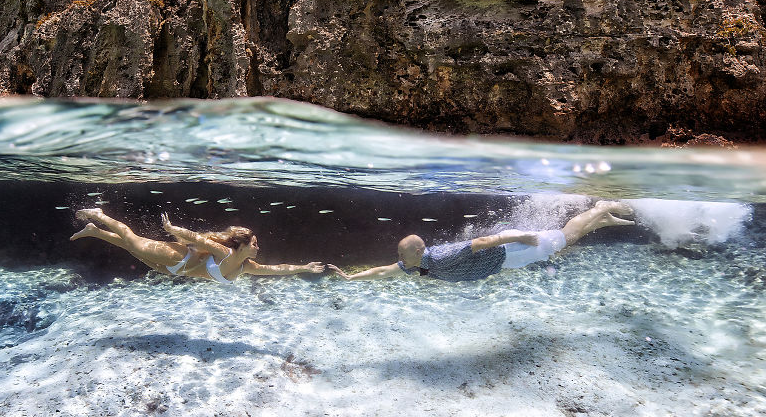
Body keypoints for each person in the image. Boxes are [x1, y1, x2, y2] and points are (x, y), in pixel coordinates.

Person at [327, 200, 636, 281]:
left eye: (401, 252)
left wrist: (522, 235)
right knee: (565, 242)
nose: (397, 256)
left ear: (418, 251)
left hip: (511, 251)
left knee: (566, 237)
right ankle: (603, 220)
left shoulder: (442, 256)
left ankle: (600, 208)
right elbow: (383, 271)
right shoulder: (413, 265)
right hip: (506, 262)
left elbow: (485, 240)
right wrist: (352, 277)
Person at [70, 208, 325, 283]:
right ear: (243, 244)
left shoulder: (245, 267)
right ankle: (99, 215)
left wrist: (304, 267)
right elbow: (198, 239)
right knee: (132, 240)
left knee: (131, 249)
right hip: (176, 257)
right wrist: (172, 230)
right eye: (255, 243)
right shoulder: (226, 253)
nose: (258, 248)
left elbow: (277, 269)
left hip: (170, 270)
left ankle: (94, 231)